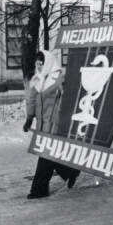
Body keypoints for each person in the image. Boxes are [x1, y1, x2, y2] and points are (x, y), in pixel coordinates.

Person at [24, 51, 80, 199]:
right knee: (49, 155)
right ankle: (70, 171)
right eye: (36, 64)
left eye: (41, 64)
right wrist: (29, 118)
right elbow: (32, 100)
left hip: (55, 122)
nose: (38, 67)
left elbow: (68, 97)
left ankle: (39, 189)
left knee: (46, 155)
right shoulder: (37, 79)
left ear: (48, 62)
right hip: (42, 124)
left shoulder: (59, 77)